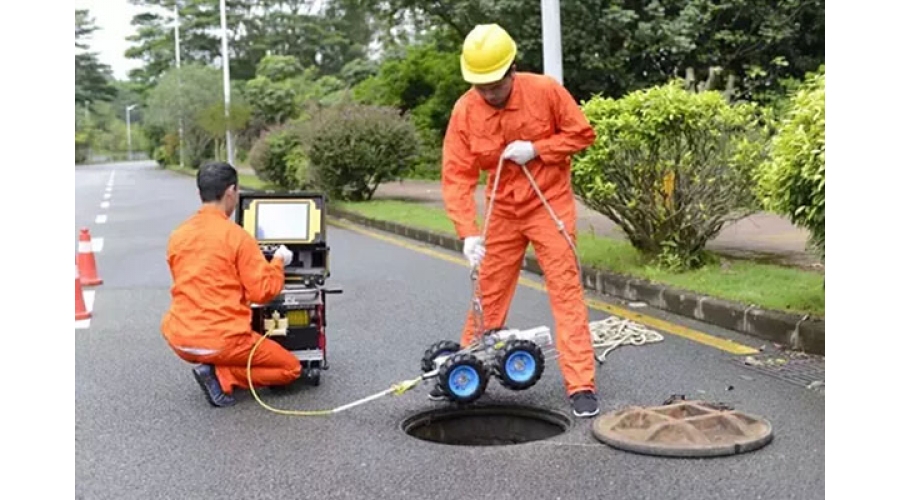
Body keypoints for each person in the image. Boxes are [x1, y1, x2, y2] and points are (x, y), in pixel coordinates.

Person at [437, 24, 600, 417]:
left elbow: (582, 134)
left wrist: (540, 149)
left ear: (512, 68)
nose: (490, 93)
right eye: (481, 86)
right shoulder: (465, 110)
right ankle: (463, 373)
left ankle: (580, 384)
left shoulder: (545, 91)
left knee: (565, 291)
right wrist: (468, 233)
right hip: (501, 210)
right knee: (487, 294)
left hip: (548, 203)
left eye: (495, 83)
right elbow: (457, 175)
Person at [160, 162, 301, 407]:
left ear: (200, 193)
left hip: (179, 337)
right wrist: (278, 262)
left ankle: (216, 366)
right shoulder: (237, 236)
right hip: (222, 340)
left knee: (224, 342)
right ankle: (223, 374)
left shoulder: (178, 235)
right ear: (231, 191)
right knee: (291, 369)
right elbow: (262, 291)